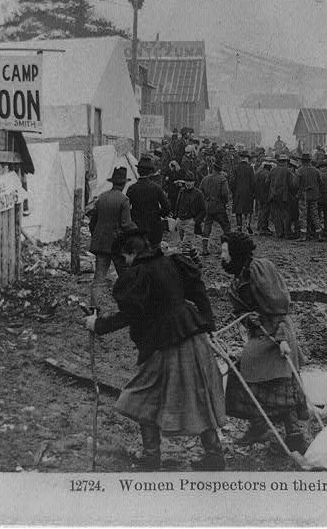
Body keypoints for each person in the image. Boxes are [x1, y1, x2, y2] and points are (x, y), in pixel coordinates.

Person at [84, 227, 226, 471]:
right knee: (198, 395)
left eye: (124, 258)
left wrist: (98, 324)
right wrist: (208, 324)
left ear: (131, 254)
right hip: (194, 336)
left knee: (141, 395)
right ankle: (214, 455)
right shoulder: (173, 263)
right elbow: (199, 291)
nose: (124, 264)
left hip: (167, 345)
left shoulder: (140, 274)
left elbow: (130, 314)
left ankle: (151, 457)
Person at [220, 232, 308, 453]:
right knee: (242, 370)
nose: (221, 256)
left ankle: (295, 435)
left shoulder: (259, 269)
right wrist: (250, 318)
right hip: (261, 332)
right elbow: (243, 310)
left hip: (277, 332)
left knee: (279, 379)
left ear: (235, 252)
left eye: (224, 251)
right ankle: (259, 425)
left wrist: (280, 338)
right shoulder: (239, 278)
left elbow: (279, 304)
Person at [88, 167, 134, 310]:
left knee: (99, 278)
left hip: (101, 244)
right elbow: (126, 225)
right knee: (125, 276)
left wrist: (97, 235)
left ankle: (94, 309)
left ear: (113, 183)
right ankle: (128, 307)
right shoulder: (124, 200)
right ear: (124, 184)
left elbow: (92, 223)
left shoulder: (102, 197)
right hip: (117, 245)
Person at [127, 156, 171, 247]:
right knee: (154, 258)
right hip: (154, 229)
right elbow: (167, 207)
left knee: (139, 256)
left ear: (138, 171)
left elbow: (126, 209)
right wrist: (158, 213)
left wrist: (133, 215)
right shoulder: (156, 188)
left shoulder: (132, 189)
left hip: (137, 229)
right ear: (150, 172)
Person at [199, 156, 231, 256]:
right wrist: (225, 202)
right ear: (220, 170)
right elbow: (225, 194)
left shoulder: (205, 178)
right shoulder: (222, 179)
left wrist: (206, 200)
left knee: (207, 227)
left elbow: (200, 191)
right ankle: (226, 249)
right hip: (219, 207)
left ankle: (204, 249)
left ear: (212, 169)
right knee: (226, 227)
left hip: (208, 207)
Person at [174, 170, 206, 250]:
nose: (188, 183)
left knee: (185, 245)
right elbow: (177, 205)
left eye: (191, 181)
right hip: (180, 221)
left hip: (190, 222)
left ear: (194, 182)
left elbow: (203, 210)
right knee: (187, 246)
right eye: (187, 181)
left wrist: (194, 221)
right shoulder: (181, 191)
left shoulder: (198, 194)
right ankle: (196, 260)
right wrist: (176, 218)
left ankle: (185, 261)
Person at [296, 153, 322, 240]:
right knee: (315, 214)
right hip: (314, 196)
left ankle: (303, 235)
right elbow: (320, 183)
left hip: (304, 195)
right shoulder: (316, 171)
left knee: (303, 215)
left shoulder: (300, 170)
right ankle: (319, 234)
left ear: (302, 161)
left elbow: (295, 184)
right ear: (310, 161)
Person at [268, 154, 293, 239]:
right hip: (284, 196)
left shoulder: (272, 170)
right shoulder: (288, 171)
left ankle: (279, 232)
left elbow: (267, 181)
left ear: (278, 162)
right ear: (286, 162)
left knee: (276, 215)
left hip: (274, 196)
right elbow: (292, 185)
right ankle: (287, 233)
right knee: (286, 214)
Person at [230, 150, 256, 234]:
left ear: (241, 158)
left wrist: (233, 191)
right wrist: (253, 191)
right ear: (247, 159)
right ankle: (248, 225)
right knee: (248, 210)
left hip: (238, 192)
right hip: (248, 192)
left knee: (238, 210)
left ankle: (239, 227)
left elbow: (232, 181)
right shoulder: (250, 168)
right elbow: (253, 182)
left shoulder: (236, 167)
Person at [254, 159, 274, 235]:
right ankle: (263, 228)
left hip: (259, 195)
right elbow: (268, 185)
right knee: (265, 212)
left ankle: (259, 226)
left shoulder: (258, 173)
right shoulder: (268, 174)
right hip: (266, 195)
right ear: (269, 167)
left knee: (260, 211)